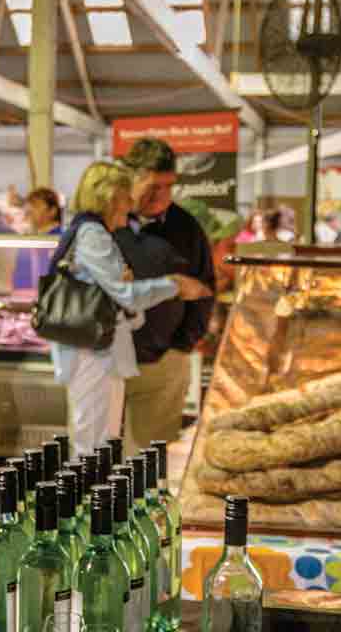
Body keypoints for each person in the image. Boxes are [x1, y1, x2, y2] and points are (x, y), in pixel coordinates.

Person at [49, 161, 210, 455]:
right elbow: (125, 295)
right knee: (92, 442)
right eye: (126, 195)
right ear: (110, 197)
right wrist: (174, 284)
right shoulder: (92, 234)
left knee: (100, 437)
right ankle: (90, 497)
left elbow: (113, 292)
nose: (131, 203)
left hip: (99, 350)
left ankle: (96, 494)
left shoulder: (92, 232)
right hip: (92, 351)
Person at [114, 138, 217, 451]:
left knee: (146, 465)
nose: (162, 196)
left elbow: (204, 289)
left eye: (169, 186)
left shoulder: (186, 228)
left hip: (161, 365)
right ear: (130, 177)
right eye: (153, 186)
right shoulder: (104, 223)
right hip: (104, 362)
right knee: (92, 462)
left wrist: (181, 346)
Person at [10, 186, 63, 293]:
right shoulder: (29, 240)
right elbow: (19, 276)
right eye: (29, 206)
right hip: (26, 297)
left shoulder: (62, 240)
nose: (30, 210)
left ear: (52, 211)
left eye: (36, 206)